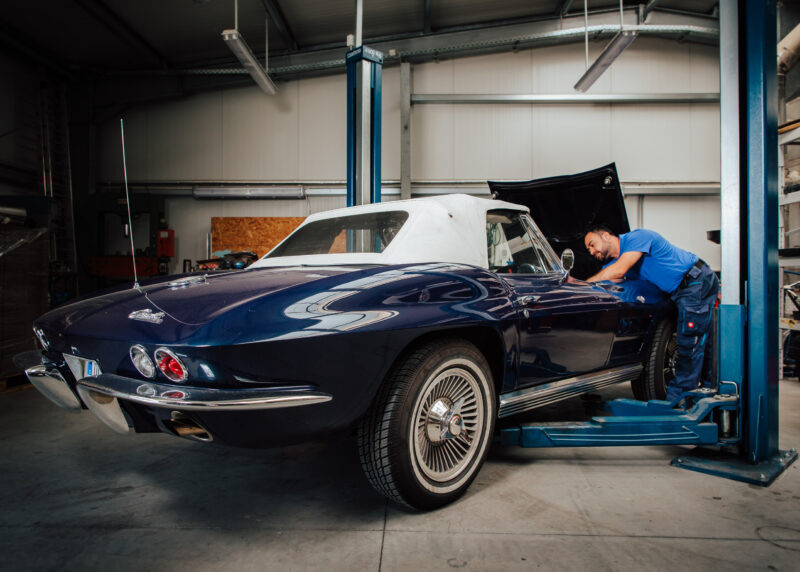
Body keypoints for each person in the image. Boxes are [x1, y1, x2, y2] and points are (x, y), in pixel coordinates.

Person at [583, 224, 719, 401]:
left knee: (689, 339)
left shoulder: (636, 238)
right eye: (588, 249)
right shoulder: (612, 265)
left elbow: (619, 270)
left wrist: (583, 285)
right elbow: (608, 279)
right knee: (702, 338)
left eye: (592, 244)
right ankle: (708, 389)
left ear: (606, 236)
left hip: (695, 281)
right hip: (680, 290)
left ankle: (680, 399)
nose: (591, 251)